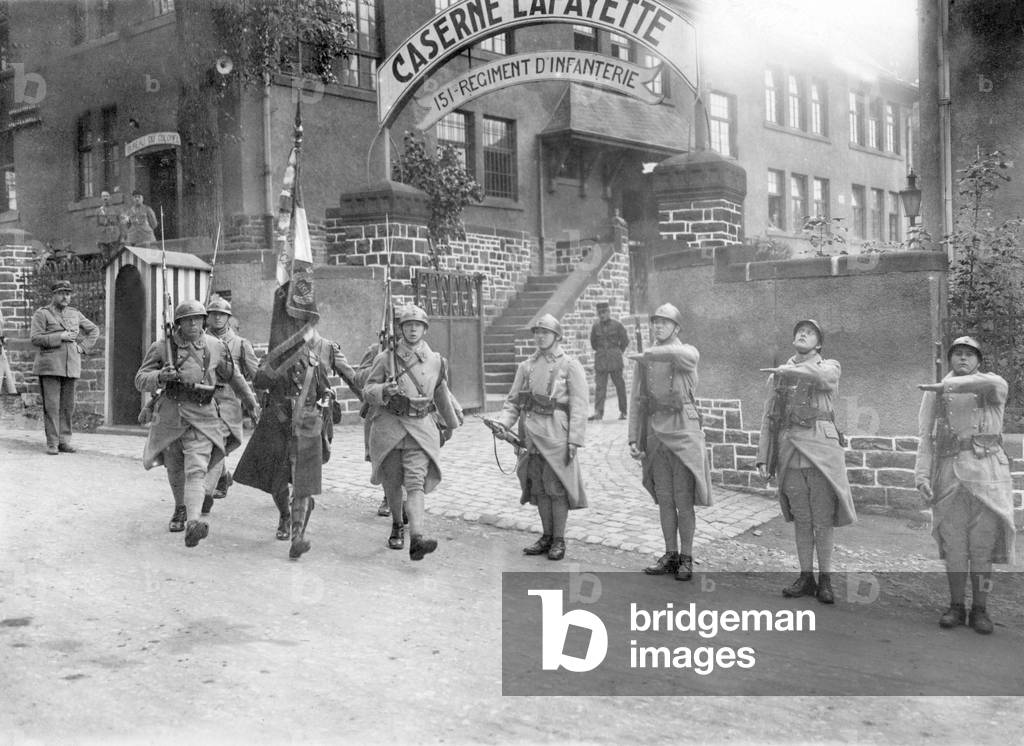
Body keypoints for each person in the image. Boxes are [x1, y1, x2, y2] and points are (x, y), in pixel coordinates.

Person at [914, 336, 1017, 634]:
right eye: (957, 353)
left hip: (987, 476)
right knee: (955, 547)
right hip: (950, 476)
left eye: (969, 354)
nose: (962, 358)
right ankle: (956, 605)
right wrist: (921, 476)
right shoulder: (936, 393)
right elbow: (925, 437)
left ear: (979, 361)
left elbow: (994, 383)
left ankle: (980, 609)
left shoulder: (991, 385)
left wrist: (946, 385)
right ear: (949, 359)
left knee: (982, 547)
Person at [134, 300, 258, 548]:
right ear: (178, 323)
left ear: (204, 320)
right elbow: (140, 379)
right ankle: (180, 508)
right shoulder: (162, 347)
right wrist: (160, 376)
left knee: (197, 470)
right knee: (174, 468)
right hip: (170, 417)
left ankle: (193, 522)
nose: (194, 324)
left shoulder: (215, 346)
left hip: (203, 417)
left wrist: (251, 403)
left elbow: (234, 377)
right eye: (187, 320)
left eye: (198, 319)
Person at [234, 328, 359, 557]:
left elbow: (329, 387)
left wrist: (328, 398)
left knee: (303, 483)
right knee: (277, 481)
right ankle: (285, 514)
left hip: (307, 427)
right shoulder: (274, 356)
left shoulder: (317, 358)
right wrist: (277, 362)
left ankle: (297, 537)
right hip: (277, 426)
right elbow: (259, 381)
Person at [755, 319, 856, 604]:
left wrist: (788, 370)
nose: (803, 334)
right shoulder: (779, 375)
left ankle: (826, 580)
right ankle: (805, 576)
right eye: (800, 331)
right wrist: (763, 456)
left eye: (810, 333)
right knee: (802, 520)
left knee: (822, 520)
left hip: (822, 454)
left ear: (819, 344)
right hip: (790, 453)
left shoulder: (829, 366)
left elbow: (822, 378)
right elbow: (769, 417)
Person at [363, 305, 461, 560]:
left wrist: (451, 423)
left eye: (418, 325)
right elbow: (368, 390)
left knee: (416, 482)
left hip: (420, 429)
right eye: (408, 325)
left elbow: (440, 393)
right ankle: (397, 524)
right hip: (390, 427)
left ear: (425, 329)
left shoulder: (436, 360)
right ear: (401, 329)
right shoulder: (386, 358)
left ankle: (417, 537)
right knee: (393, 481)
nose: (413, 329)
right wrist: (384, 390)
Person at [492, 313, 588, 561]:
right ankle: (546, 536)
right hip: (531, 436)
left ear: (557, 336)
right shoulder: (526, 367)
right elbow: (513, 402)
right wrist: (503, 424)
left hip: (557, 435)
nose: (540, 336)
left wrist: (574, 440)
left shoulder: (569, 365)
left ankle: (559, 539)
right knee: (540, 488)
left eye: (545, 332)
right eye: (537, 332)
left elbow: (579, 406)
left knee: (556, 488)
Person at [627, 303, 712, 581]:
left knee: (683, 499)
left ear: (677, 328)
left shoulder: (685, 352)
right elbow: (636, 400)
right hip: (656, 433)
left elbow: (683, 354)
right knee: (665, 499)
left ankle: (686, 556)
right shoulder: (646, 359)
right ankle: (670, 554)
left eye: (665, 322)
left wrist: (648, 354)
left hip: (683, 430)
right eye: (656, 321)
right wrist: (633, 437)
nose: (658, 326)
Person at [200, 296, 260, 516]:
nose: (217, 318)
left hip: (228, 401)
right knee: (206, 444)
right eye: (213, 314)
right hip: (203, 400)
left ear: (228, 317)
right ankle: (223, 476)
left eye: (222, 314)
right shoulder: (199, 340)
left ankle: (205, 493)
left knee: (218, 445)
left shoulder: (241, 344)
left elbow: (256, 377)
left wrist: (255, 404)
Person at [29, 280, 99, 455]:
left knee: (68, 407)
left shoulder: (75, 313)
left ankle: (64, 441)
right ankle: (52, 443)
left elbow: (94, 330)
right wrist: (60, 336)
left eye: (68, 294)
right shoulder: (42, 314)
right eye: (61, 293)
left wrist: (83, 348)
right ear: (53, 295)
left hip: (71, 365)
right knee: (52, 406)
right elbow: (35, 338)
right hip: (50, 366)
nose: (65, 297)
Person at [588, 301, 630, 421]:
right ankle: (598, 412)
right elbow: (593, 343)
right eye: (600, 313)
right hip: (601, 360)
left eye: (604, 312)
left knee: (620, 386)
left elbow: (625, 341)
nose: (602, 315)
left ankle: (623, 412)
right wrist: (602, 351)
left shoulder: (617, 325)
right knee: (600, 387)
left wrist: (617, 351)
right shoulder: (595, 327)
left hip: (615, 359)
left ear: (609, 312)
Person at [96, 190, 124, 259]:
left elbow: (121, 223)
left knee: (113, 256)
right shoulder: (98, 211)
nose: (105, 198)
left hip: (114, 236)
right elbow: (96, 225)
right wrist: (97, 239)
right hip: (103, 237)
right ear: (101, 198)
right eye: (103, 196)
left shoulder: (116, 209)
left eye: (107, 196)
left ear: (110, 197)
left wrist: (122, 237)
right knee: (105, 257)